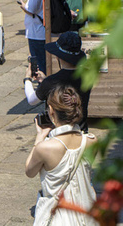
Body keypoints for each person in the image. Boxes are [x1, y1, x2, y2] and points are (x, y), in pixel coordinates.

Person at [25, 86, 97, 226]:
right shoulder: (92, 141)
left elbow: (29, 171)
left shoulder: (45, 148)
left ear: (51, 111)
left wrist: (39, 138)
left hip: (59, 218)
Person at [24, 32, 91, 132]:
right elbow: (67, 83)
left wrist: (27, 79)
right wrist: (45, 80)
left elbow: (32, 100)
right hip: (81, 132)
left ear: (58, 57)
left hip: (59, 134)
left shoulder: (52, 82)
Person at [19, 0, 47, 74]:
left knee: (38, 60)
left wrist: (23, 5)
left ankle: (41, 82)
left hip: (36, 31)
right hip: (43, 29)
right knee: (44, 59)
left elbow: (30, 10)